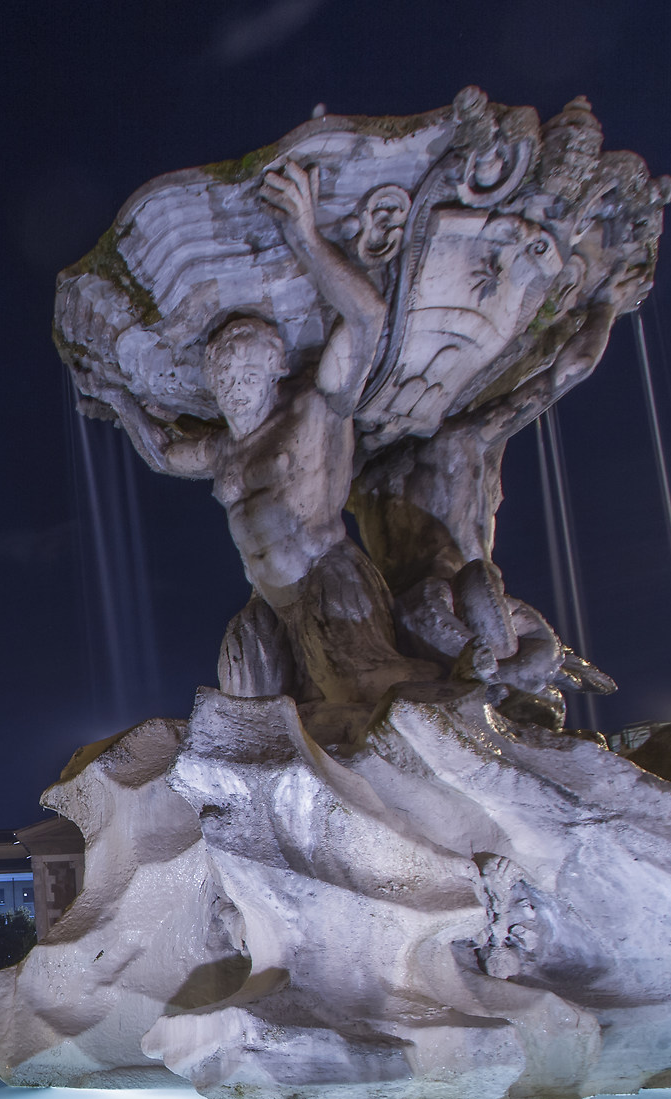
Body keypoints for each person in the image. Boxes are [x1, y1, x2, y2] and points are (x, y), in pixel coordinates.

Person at [105, 158, 433, 734]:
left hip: (326, 582)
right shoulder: (224, 451)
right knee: (243, 713)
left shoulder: (315, 407)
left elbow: (367, 317)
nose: (234, 386)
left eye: (247, 372)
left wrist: (306, 236)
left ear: (276, 368)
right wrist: (118, 400)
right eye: (223, 376)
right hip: (270, 604)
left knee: (369, 700)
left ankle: (466, 692)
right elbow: (161, 454)